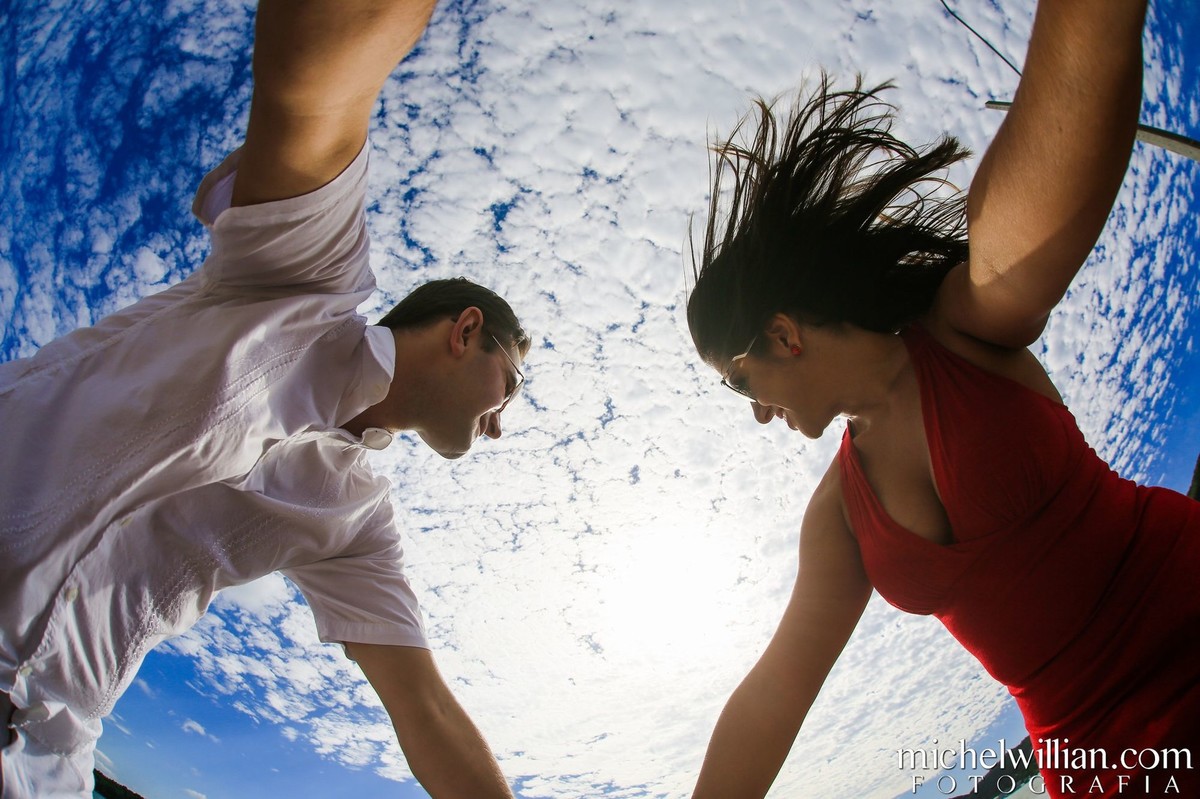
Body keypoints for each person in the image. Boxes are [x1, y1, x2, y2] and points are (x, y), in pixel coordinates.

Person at [0, 1, 526, 797]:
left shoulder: (357, 524)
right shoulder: (304, 279)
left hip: (40, 766)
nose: (501, 426)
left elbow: (427, 710)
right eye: (510, 384)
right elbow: (311, 81)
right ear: (466, 329)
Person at [685, 1, 1198, 797]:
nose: (753, 411)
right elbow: (774, 695)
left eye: (739, 380)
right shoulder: (839, 517)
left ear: (783, 334)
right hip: (1095, 758)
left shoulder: (964, 325)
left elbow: (1059, 142)